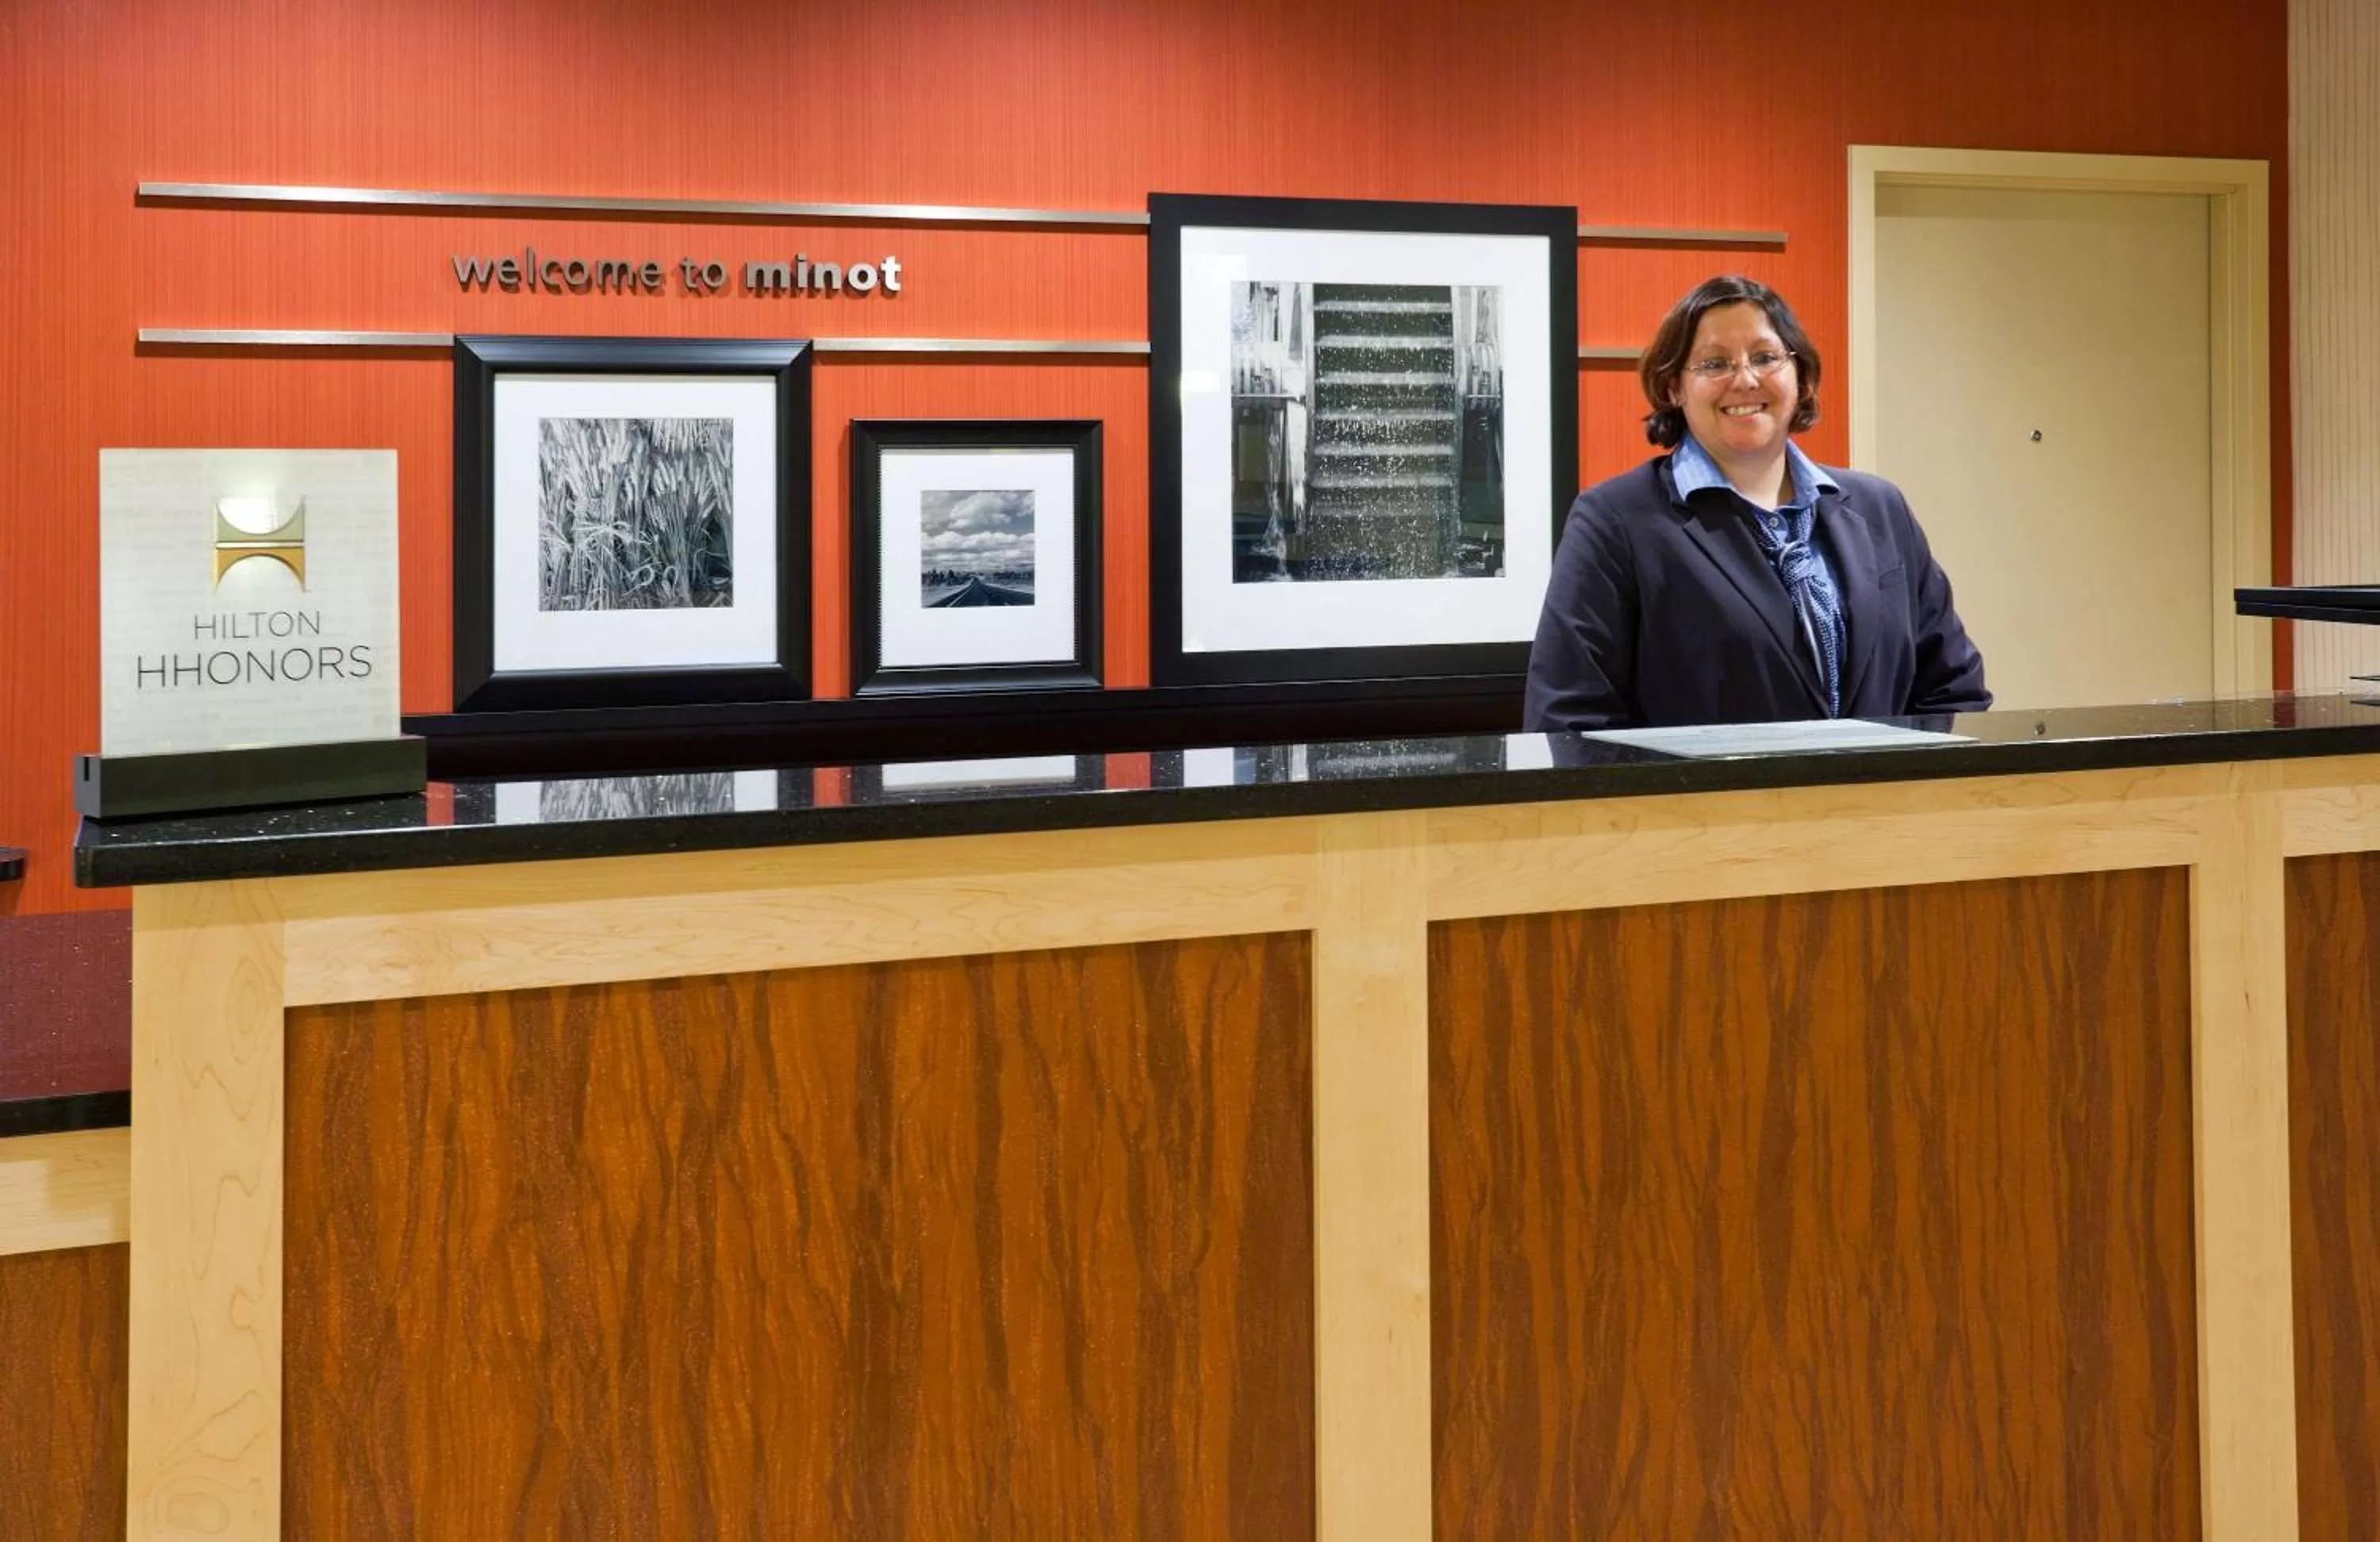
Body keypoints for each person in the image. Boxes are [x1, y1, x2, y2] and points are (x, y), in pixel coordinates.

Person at [1523, 274, 1989, 730]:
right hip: (1704, 807)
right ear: (1673, 388)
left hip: (1882, 806)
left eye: (1766, 357)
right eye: (1713, 364)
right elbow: (1568, 721)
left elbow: (1954, 688)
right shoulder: (1616, 521)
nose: (1744, 380)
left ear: (1801, 377)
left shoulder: (1880, 508)